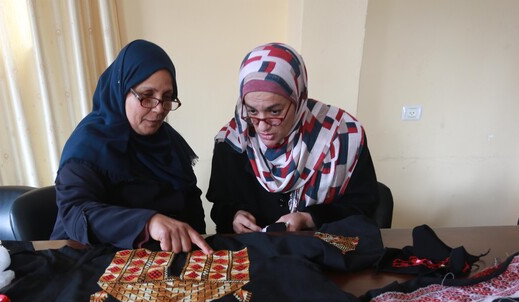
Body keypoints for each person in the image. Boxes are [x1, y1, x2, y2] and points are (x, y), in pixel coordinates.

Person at [51, 39, 212, 254]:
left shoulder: (169, 143)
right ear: (121, 89)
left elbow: (191, 204)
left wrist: (196, 248)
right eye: (146, 96)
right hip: (86, 257)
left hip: (155, 262)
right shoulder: (88, 144)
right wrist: (148, 223)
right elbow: (76, 212)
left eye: (167, 98)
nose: (159, 109)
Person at [207, 42, 379, 234]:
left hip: (320, 254)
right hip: (252, 257)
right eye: (252, 110)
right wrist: (234, 216)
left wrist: (309, 218)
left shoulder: (342, 136)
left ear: (298, 98)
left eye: (275, 111)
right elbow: (220, 205)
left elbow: (363, 207)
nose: (262, 126)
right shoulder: (232, 142)